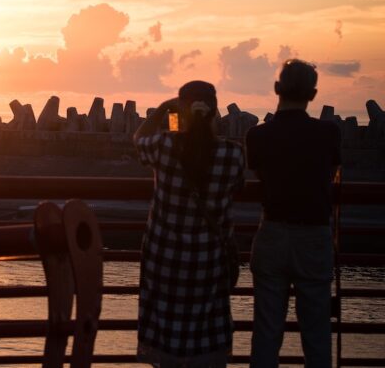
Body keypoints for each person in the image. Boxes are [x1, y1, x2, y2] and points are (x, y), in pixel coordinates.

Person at [134, 81, 245, 368]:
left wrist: (164, 110)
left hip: (165, 259)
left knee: (167, 329)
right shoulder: (232, 155)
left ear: (182, 111)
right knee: (206, 328)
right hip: (209, 261)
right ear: (215, 112)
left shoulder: (164, 146)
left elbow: (139, 138)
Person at [246, 59, 341, 368]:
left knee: (266, 331)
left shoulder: (257, 135)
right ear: (313, 95)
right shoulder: (329, 133)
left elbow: (260, 172)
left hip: (272, 231)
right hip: (314, 234)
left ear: (277, 89)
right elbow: (332, 171)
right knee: (316, 332)